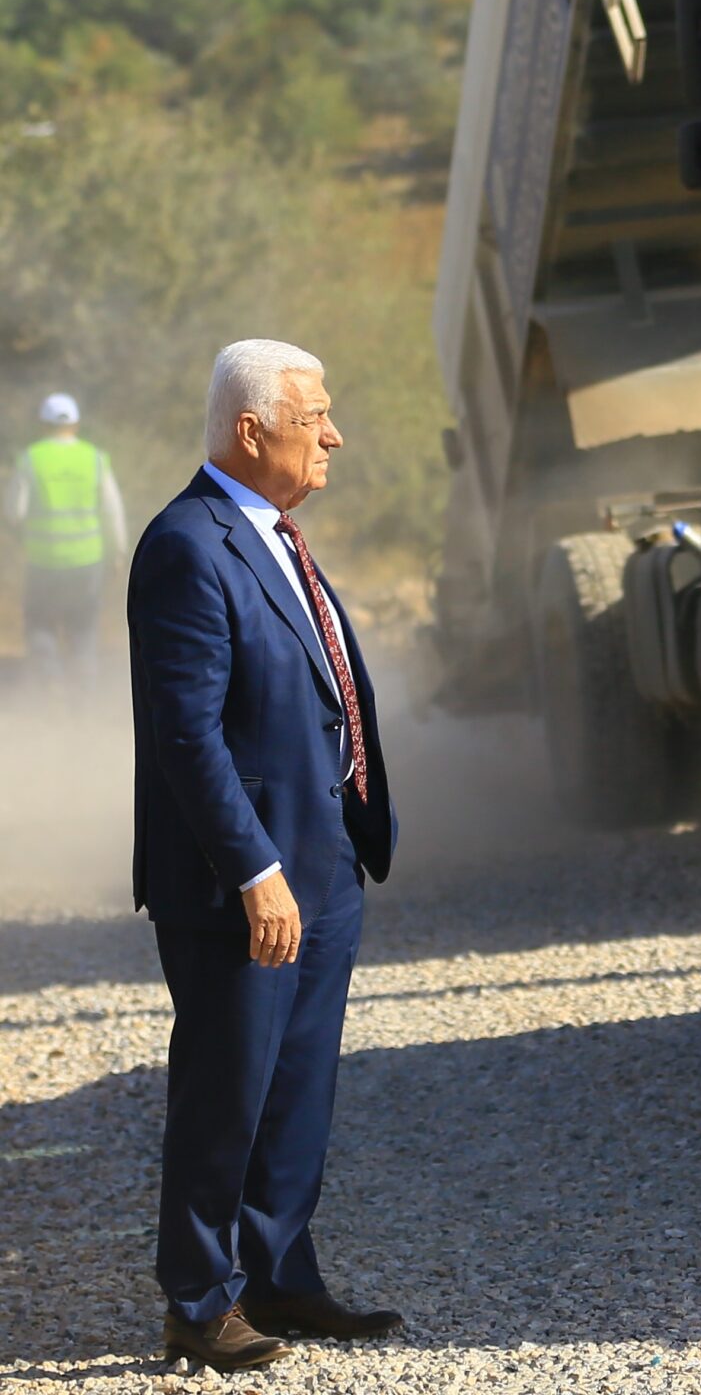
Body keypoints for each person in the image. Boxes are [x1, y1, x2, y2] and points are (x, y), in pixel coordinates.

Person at [128, 340, 400, 1371]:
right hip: (241, 883)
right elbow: (188, 734)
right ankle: (198, 1303)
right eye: (314, 416)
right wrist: (253, 868)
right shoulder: (188, 545)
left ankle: (280, 1280)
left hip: (319, 869)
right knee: (226, 1089)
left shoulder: (274, 536)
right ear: (254, 430)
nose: (332, 435)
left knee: (296, 1092)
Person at [7, 392, 128, 688]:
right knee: (83, 629)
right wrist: (118, 552)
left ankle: (50, 688)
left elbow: (13, 512)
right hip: (87, 561)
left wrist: (23, 535)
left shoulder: (31, 459)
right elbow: (113, 511)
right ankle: (84, 696)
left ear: (43, 425)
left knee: (41, 624)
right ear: (75, 424)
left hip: (43, 561)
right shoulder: (95, 459)